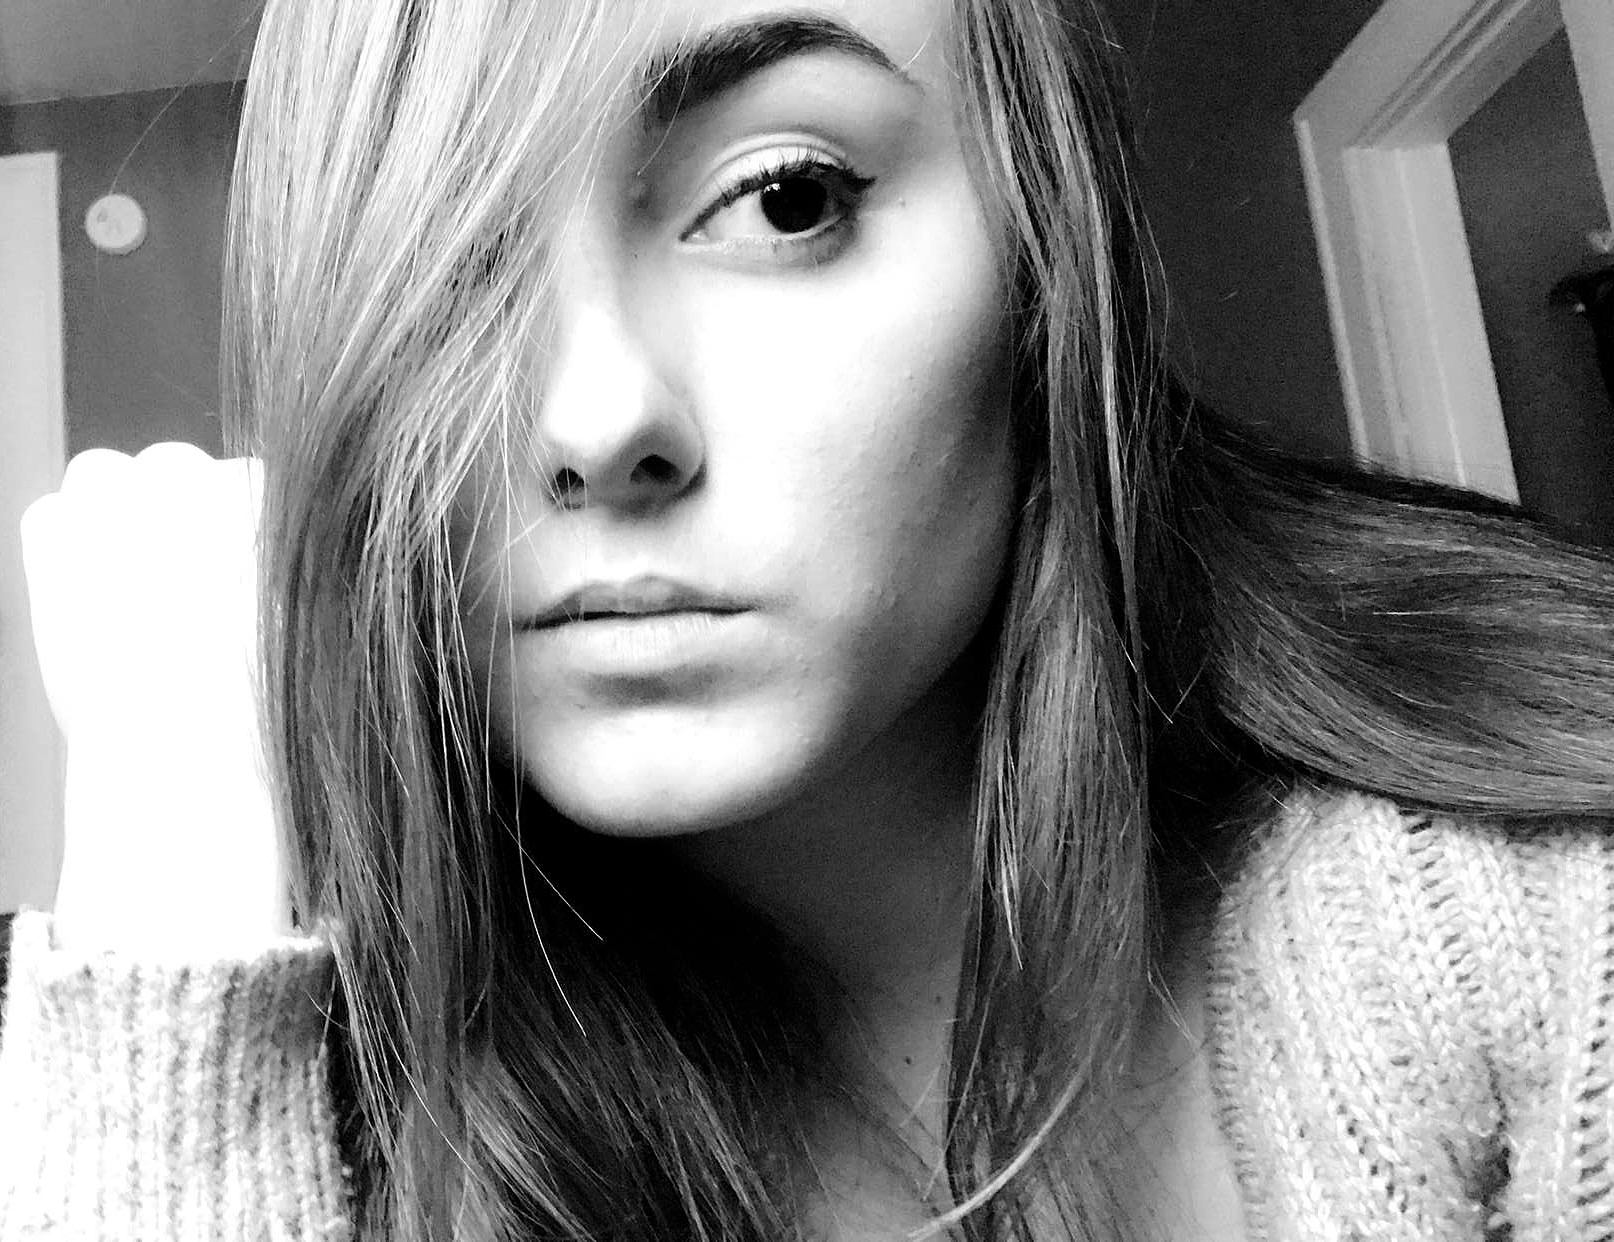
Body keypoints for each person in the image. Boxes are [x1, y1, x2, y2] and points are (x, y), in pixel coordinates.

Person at [2, 0, 1612, 1237]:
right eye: (446, 263)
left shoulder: (1540, 930)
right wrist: (173, 918)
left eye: (783, 200)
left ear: (1048, 268)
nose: (593, 417)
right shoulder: (359, 1102)